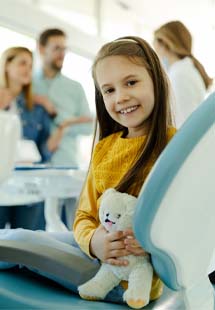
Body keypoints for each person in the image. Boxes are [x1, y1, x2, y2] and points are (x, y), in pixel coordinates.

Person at [0, 36, 176, 305]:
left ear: (156, 80)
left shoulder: (174, 145)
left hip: (120, 278)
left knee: (15, 241)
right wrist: (94, 241)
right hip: (96, 252)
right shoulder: (104, 148)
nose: (121, 97)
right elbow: (84, 215)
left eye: (131, 82)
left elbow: (189, 219)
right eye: (109, 90)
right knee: (19, 237)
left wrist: (155, 244)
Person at [0, 46, 64, 230]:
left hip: (29, 186)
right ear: (6, 65)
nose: (28, 69)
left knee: (29, 247)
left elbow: (42, 151)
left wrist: (58, 130)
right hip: (2, 184)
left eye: (30, 64)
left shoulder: (36, 108)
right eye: (22, 63)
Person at [33, 28, 93, 167]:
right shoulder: (28, 86)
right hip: (31, 165)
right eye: (57, 48)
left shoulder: (75, 87)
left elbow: (88, 126)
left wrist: (63, 124)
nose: (62, 54)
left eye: (64, 49)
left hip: (66, 164)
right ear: (41, 49)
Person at [153, 20, 213, 128]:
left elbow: (182, 122)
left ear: (164, 45)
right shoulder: (183, 70)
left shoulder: (180, 74)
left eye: (155, 44)